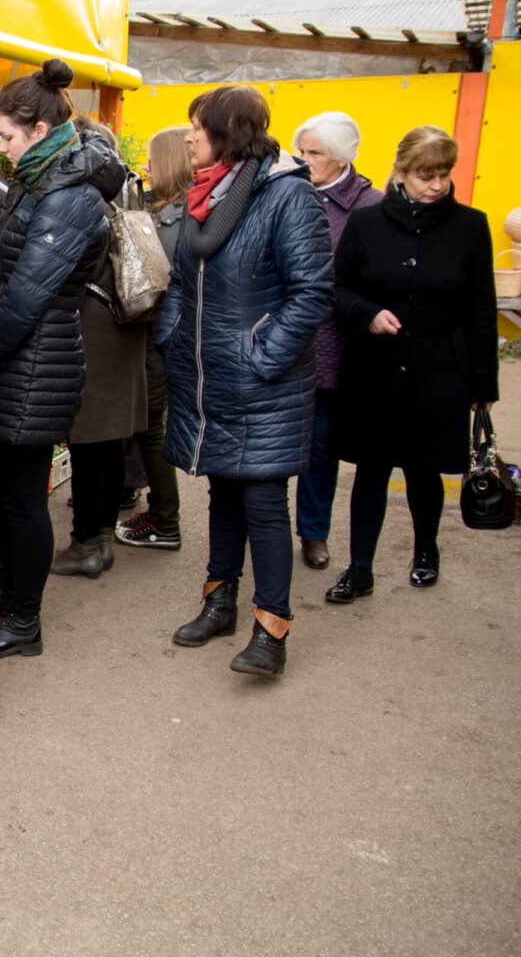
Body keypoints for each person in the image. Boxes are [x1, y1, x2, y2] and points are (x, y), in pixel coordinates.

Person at [161, 86, 332, 677]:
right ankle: (219, 603)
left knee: (263, 499)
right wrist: (173, 332)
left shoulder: (288, 196)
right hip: (210, 380)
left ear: (227, 134)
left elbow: (312, 293)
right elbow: (183, 278)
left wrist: (260, 354)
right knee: (224, 491)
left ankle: (272, 627)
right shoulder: (205, 195)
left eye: (197, 127)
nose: (188, 136)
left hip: (262, 383)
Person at [0, 59, 125, 658]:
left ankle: (24, 621)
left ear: (37, 128)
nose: (0, 148)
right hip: (19, 360)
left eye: (5, 135)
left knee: (22, 495)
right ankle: (12, 591)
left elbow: (27, 297)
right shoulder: (40, 177)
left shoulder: (69, 195)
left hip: (36, 364)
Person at [324, 126, 497, 604]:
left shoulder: (470, 225)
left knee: (425, 469)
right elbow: (337, 290)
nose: (436, 185)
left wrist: (484, 383)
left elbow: (482, 309)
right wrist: (367, 314)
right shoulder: (367, 223)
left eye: (443, 175)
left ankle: (426, 551)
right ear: (401, 174)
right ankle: (360, 568)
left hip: (439, 370)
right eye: (425, 176)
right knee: (372, 470)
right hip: (375, 369)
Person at [52, 116, 147, 578]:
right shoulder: (127, 188)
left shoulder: (85, 197)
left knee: (89, 441)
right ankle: (102, 537)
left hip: (94, 325)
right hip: (124, 322)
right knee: (109, 442)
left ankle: (86, 543)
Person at [290, 112, 384, 571]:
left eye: (315, 153)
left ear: (342, 157)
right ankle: (258, 525)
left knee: (320, 446)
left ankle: (313, 532)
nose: (304, 160)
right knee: (269, 441)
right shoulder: (288, 188)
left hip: (332, 341)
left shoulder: (370, 206)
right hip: (286, 336)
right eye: (301, 150)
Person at [117, 126, 192, 550]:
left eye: (151, 157)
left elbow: (153, 281)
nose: (146, 165)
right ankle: (163, 516)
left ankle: (166, 522)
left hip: (155, 335)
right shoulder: (173, 213)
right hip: (161, 335)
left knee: (151, 428)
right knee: (150, 426)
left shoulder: (172, 222)